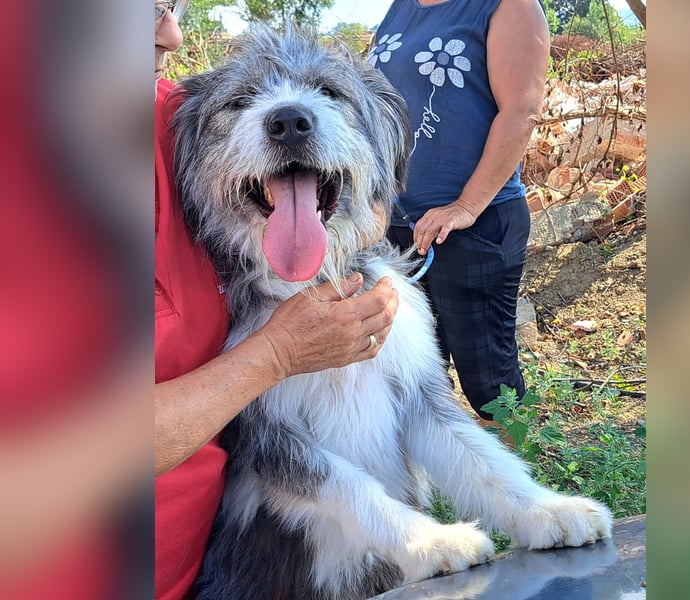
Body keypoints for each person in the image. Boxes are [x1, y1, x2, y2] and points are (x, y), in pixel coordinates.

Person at [154, 3, 399, 599]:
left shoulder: (168, 112)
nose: (172, 33)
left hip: (208, 551)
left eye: (168, 6)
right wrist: (276, 354)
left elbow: (372, 188)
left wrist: (339, 216)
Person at [370, 0, 550, 425]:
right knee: (418, 372)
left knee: (489, 381)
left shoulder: (508, 6)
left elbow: (521, 112)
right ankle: (444, 480)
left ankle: (523, 486)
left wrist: (465, 206)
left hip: (474, 226)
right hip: (397, 228)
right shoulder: (401, 8)